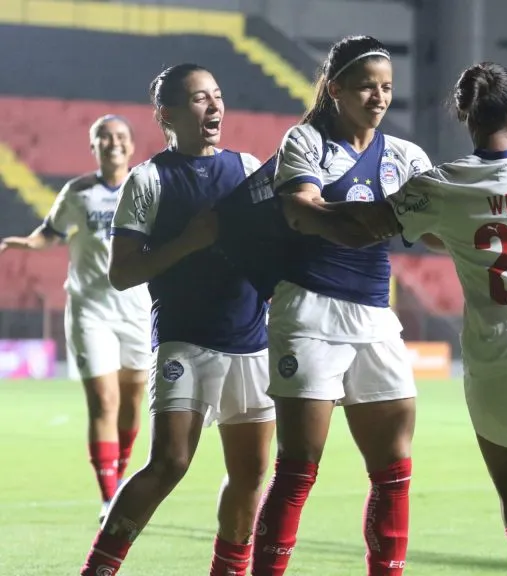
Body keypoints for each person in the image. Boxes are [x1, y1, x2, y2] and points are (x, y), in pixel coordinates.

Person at [282, 60, 507, 576]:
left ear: (463, 115)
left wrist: (306, 210)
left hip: (501, 354)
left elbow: (367, 227)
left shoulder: (442, 184)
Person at [79, 63, 275, 576]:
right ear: (167, 114)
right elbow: (122, 273)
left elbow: (270, 248)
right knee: (170, 462)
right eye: (198, 99)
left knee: (252, 473)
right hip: (186, 342)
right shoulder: (148, 179)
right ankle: (99, 567)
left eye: (217, 95)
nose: (214, 107)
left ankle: (227, 570)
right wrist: (189, 241)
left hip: (252, 343)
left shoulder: (248, 167)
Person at [250, 36, 431, 576]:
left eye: (387, 88)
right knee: (299, 467)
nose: (379, 98)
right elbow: (302, 211)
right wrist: (369, 223)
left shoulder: (407, 156)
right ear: (335, 90)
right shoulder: (305, 140)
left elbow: (437, 229)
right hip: (309, 314)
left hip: (376, 318)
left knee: (394, 471)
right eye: (367, 87)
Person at [0, 115, 151, 522]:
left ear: (131, 146)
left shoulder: (147, 189)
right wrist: (25, 243)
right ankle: (109, 498)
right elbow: (50, 231)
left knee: (131, 402)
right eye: (104, 136)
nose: (113, 142)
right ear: (94, 146)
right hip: (91, 309)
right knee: (104, 401)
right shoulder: (79, 191)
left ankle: (118, 475)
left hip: (137, 310)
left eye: (120, 136)